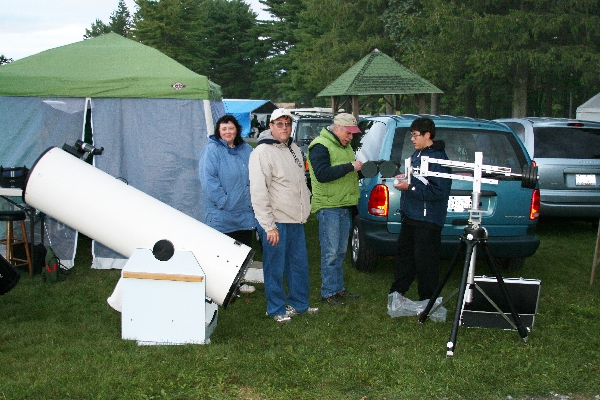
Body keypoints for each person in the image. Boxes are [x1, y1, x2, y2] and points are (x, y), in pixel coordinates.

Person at [249, 108, 317, 323]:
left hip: (295, 219)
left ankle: (299, 304)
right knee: (275, 268)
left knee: (298, 265)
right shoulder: (262, 153)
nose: (284, 127)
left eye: (287, 123)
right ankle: (276, 308)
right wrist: (269, 225)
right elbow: (259, 191)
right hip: (276, 221)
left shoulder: (294, 148)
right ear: (271, 127)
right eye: (279, 124)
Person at [389, 117, 452, 301]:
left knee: (426, 263)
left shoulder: (439, 158)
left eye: (416, 135)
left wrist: (410, 187)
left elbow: (438, 191)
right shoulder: (417, 155)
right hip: (410, 216)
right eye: (411, 135)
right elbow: (419, 179)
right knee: (404, 258)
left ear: (427, 135)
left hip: (428, 220)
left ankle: (428, 300)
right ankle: (397, 293)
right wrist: (406, 178)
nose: (412, 139)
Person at [307, 113, 363, 306]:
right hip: (329, 206)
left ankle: (338, 289)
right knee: (330, 253)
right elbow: (322, 174)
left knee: (340, 252)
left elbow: (347, 172)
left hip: (343, 205)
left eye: (353, 134)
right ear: (337, 127)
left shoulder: (344, 146)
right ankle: (328, 292)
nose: (351, 137)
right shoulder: (320, 146)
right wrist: (350, 167)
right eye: (348, 133)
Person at [198, 114, 255, 293]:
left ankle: (239, 283)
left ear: (237, 129)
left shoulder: (246, 149)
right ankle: (220, 286)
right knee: (222, 253)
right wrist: (223, 202)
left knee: (242, 251)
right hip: (222, 213)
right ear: (218, 131)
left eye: (231, 128)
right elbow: (208, 180)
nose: (228, 132)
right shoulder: (212, 150)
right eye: (224, 129)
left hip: (245, 213)